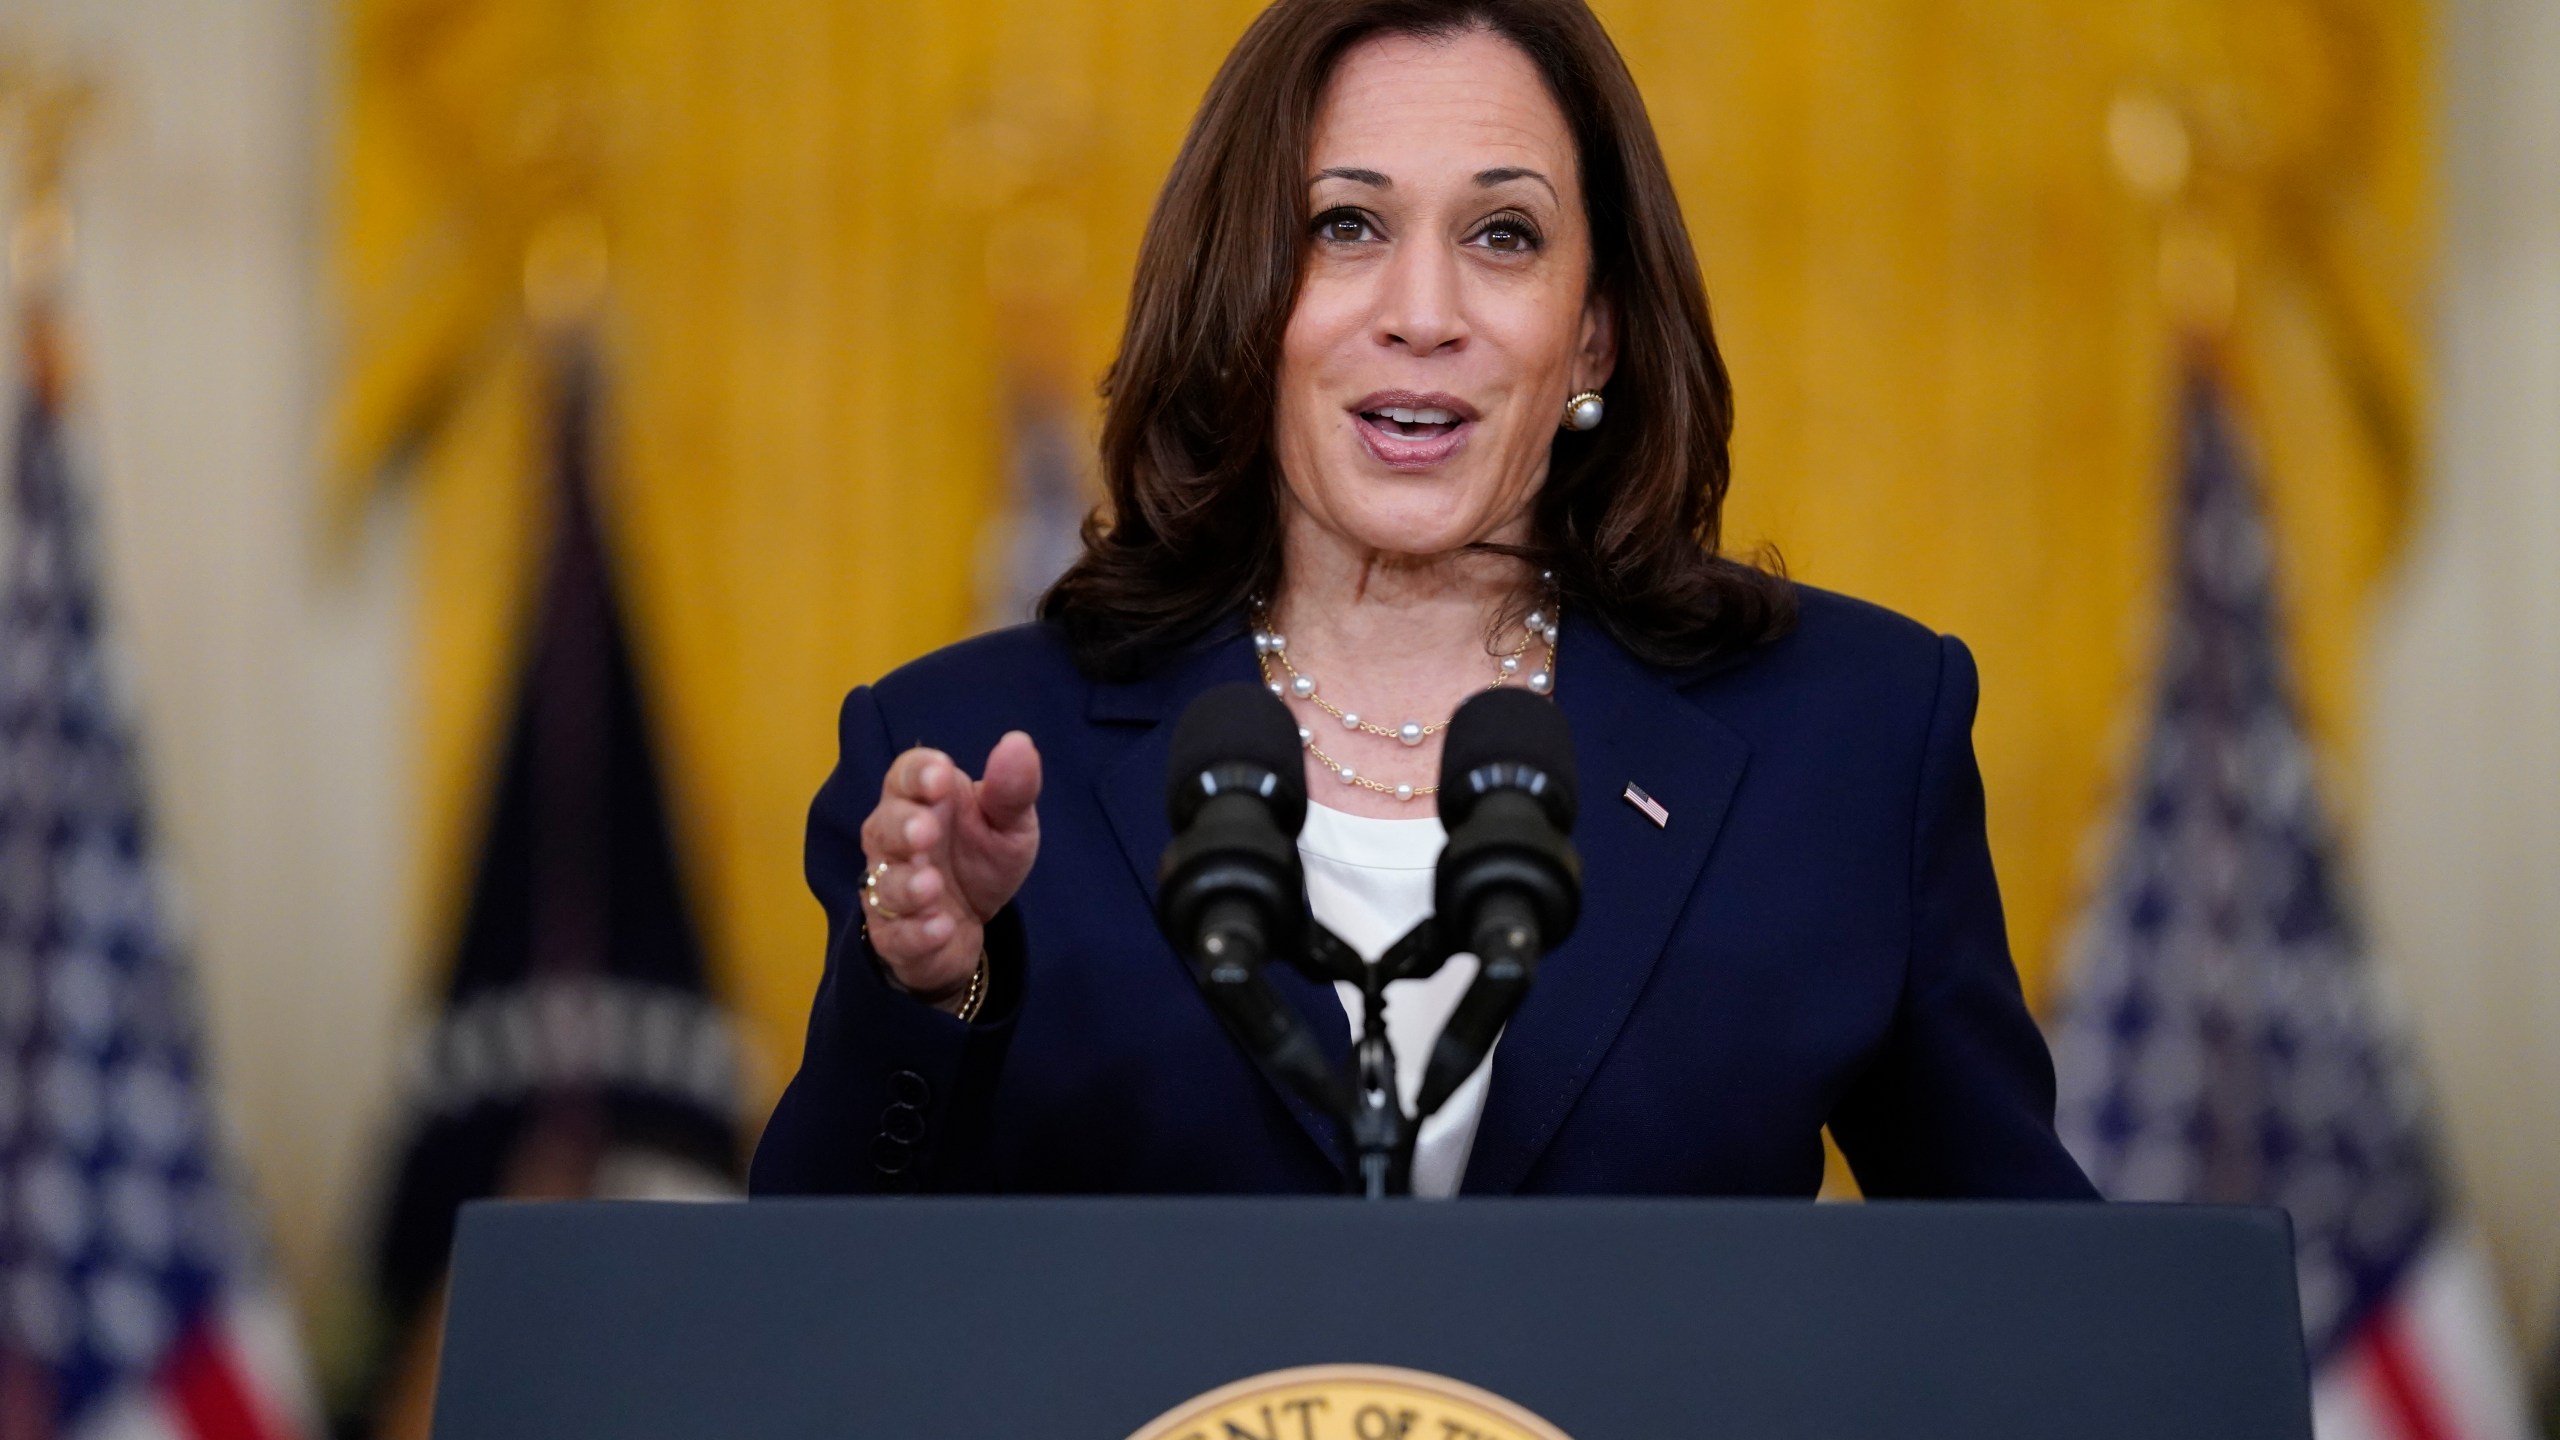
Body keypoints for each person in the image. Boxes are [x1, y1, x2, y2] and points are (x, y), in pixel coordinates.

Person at [750, 0, 2096, 1201]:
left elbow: (2018, 1308)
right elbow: (824, 1330)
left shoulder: (1850, 737)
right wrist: (932, 989)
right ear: (1242, 299)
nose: (1425, 310)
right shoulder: (969, 746)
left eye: (1504, 235)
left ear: (1594, 333)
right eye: (1347, 226)